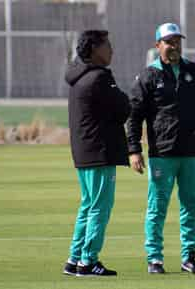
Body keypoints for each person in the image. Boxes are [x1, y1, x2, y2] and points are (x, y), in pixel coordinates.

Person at [127, 23, 195, 274]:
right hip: (162, 153)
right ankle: (154, 259)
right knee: (157, 208)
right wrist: (134, 149)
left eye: (177, 41)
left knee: (190, 206)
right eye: (169, 42)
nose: (175, 46)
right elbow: (134, 115)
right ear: (157, 45)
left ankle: (189, 257)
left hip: (192, 151)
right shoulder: (148, 76)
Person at [63, 30, 131, 277]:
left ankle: (75, 257)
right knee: (100, 206)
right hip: (99, 150)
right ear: (94, 49)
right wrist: (125, 100)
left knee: (88, 205)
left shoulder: (77, 77)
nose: (112, 50)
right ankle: (88, 261)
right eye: (107, 46)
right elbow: (123, 108)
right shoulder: (100, 78)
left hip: (83, 150)